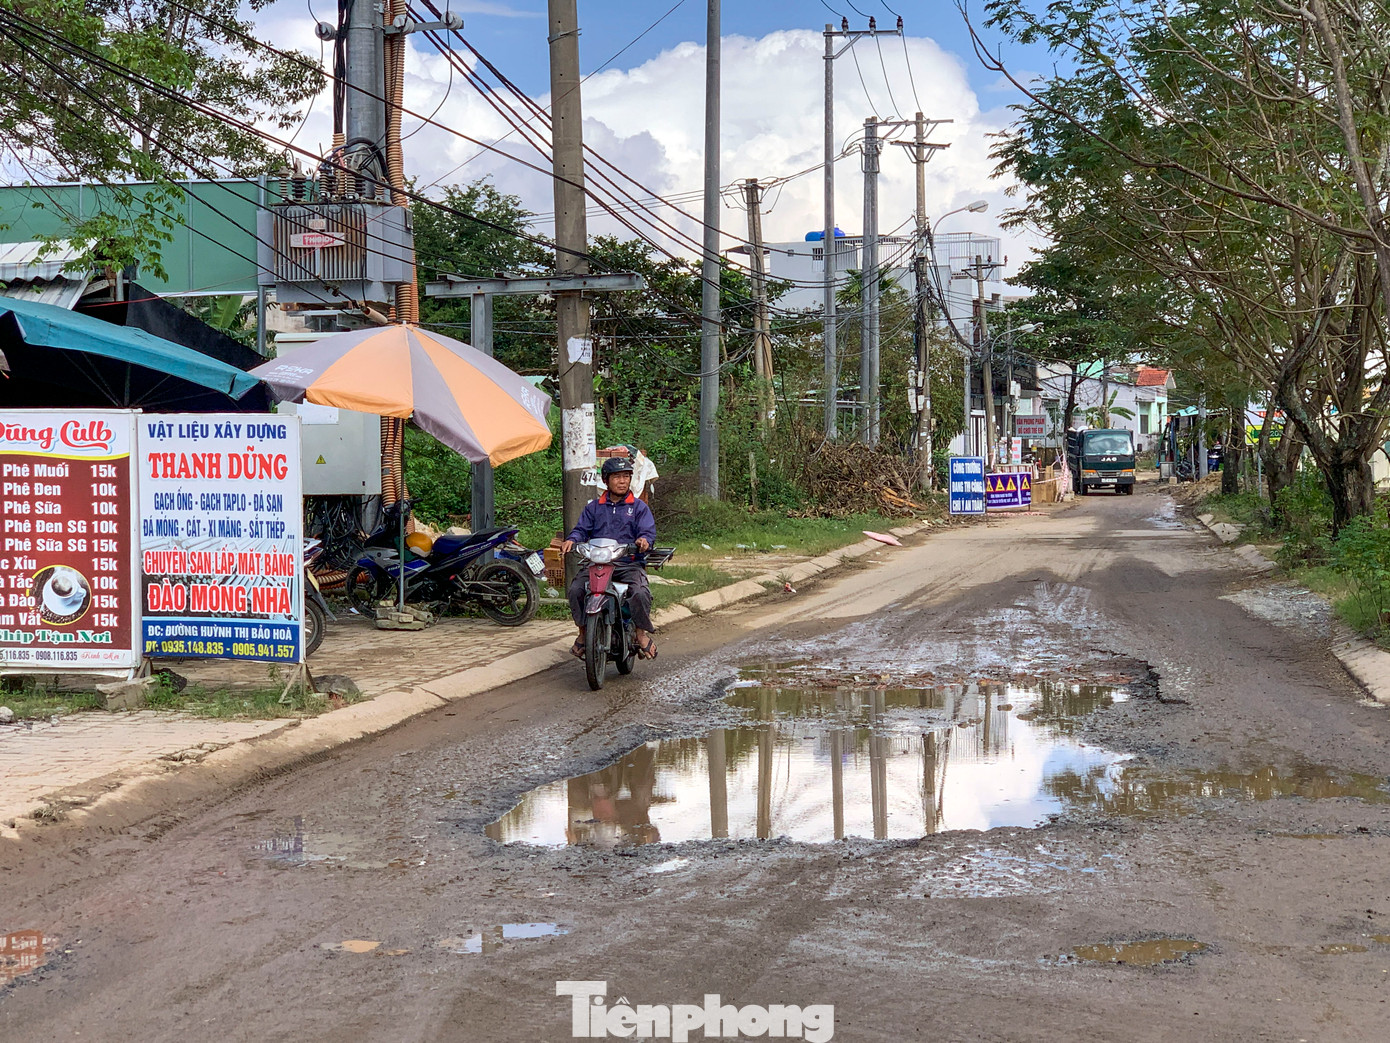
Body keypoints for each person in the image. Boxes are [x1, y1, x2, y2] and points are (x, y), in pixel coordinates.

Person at [562, 456, 658, 660]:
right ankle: (582, 633)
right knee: (576, 589)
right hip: (598, 563)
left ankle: (641, 634)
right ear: (606, 480)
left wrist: (643, 540)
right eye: (617, 477)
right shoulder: (594, 507)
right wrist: (572, 540)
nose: (622, 481)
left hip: (628, 564)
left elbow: (647, 532)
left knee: (640, 593)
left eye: (626, 476)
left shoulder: (639, 507)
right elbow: (581, 530)